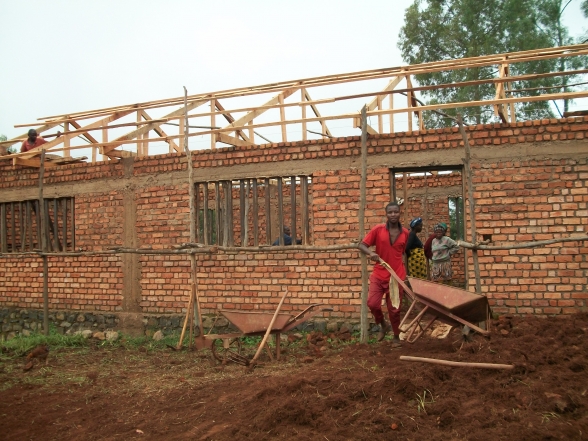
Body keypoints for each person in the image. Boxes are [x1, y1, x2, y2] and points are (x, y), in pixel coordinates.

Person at [359, 201, 409, 345]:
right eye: (390, 212)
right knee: (372, 303)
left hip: (396, 276)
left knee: (394, 309)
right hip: (379, 274)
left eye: (396, 212)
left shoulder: (405, 233)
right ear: (386, 214)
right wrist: (371, 253)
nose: (393, 215)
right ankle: (382, 324)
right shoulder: (378, 230)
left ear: (400, 213)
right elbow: (362, 245)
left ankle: (396, 336)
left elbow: (404, 252)